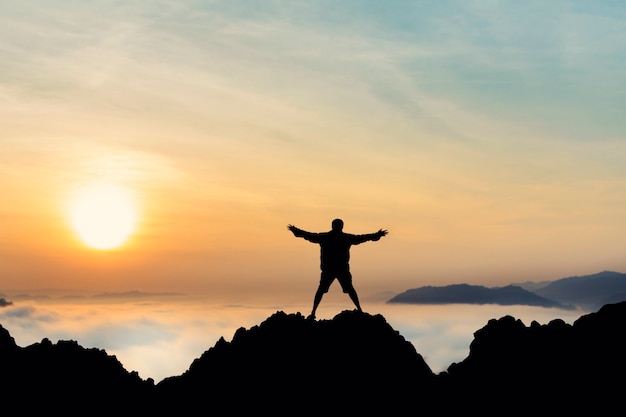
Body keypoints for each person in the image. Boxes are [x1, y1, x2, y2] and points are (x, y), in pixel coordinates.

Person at [287, 218, 388, 320]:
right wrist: (376, 235)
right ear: (341, 226)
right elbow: (362, 238)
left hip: (330, 269)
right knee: (348, 289)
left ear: (332, 226)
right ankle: (359, 309)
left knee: (322, 290)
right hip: (340, 269)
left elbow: (309, 235)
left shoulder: (325, 237)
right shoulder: (345, 238)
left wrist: (296, 231)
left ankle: (313, 312)